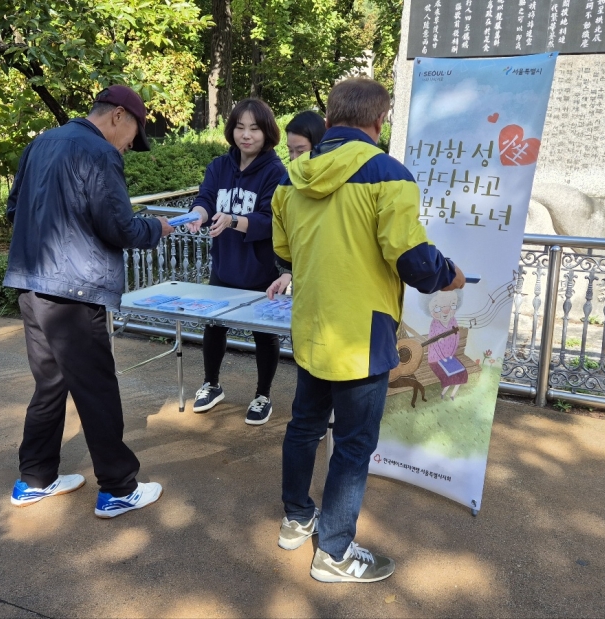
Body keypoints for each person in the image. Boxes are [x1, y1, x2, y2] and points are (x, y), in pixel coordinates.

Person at [268, 78, 465, 583]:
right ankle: (334, 552)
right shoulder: (390, 175)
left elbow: (283, 252)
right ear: (379, 122)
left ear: (328, 121)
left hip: (312, 328)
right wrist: (450, 275)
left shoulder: (290, 180)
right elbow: (413, 260)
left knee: (304, 427)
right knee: (354, 445)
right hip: (364, 335)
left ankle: (296, 518)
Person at [3, 85, 173, 519]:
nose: (130, 145)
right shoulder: (99, 152)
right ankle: (118, 488)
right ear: (118, 116)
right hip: (75, 291)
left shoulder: (41, 143)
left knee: (50, 383)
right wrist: (157, 228)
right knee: (97, 389)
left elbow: (13, 209)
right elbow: (120, 228)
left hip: (31, 283)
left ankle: (35, 479)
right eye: (134, 135)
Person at [183, 98, 287, 425]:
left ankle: (263, 395)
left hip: (261, 271)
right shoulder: (219, 166)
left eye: (254, 128)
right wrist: (197, 215)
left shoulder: (276, 172)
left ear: (267, 132)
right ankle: (211, 384)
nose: (246, 135)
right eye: (240, 127)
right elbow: (205, 199)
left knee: (264, 335)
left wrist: (232, 220)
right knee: (214, 327)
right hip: (224, 267)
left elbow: (270, 221)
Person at [269, 110, 326, 297]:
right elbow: (282, 235)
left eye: (301, 151)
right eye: (290, 150)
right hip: (302, 285)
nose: (294, 158)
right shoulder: (287, 183)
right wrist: (287, 271)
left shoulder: (342, 181)